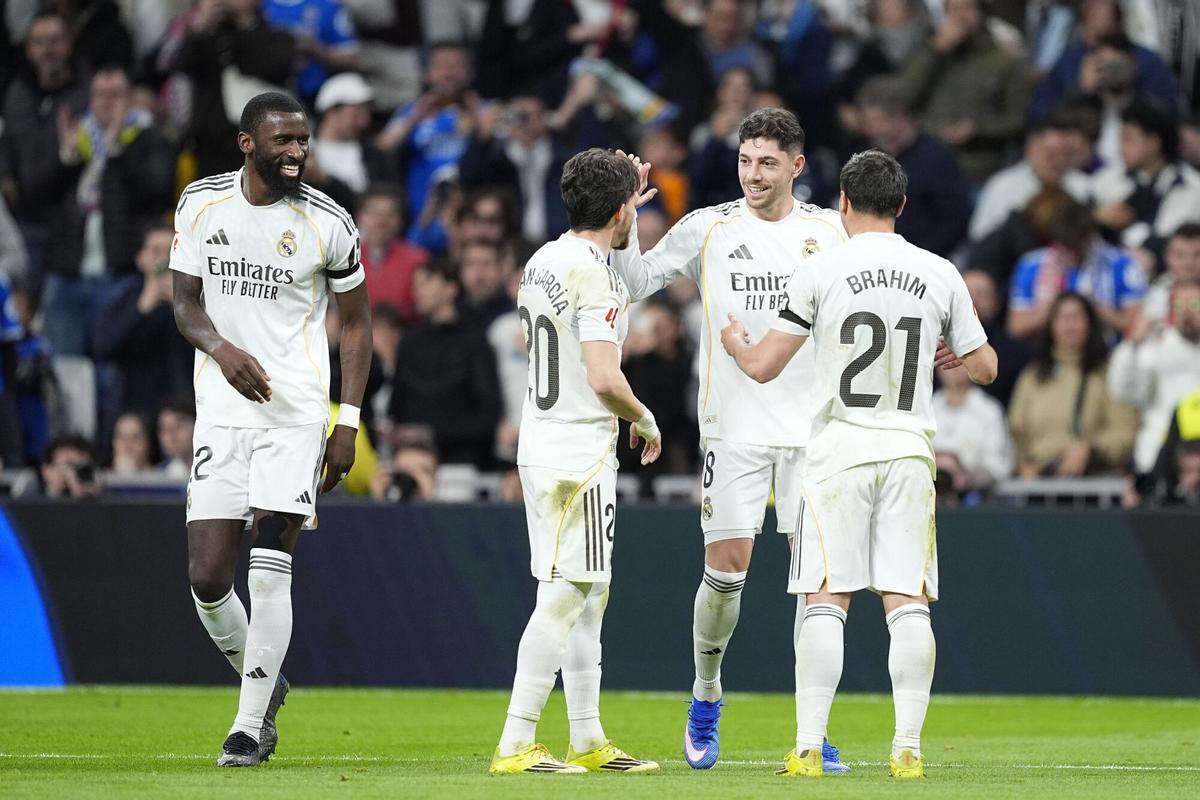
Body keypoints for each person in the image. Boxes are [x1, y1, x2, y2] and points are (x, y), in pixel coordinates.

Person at [718, 149, 997, 778]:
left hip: (839, 450)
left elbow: (763, 366)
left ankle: (808, 748)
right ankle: (907, 749)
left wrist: (736, 342)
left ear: (843, 201)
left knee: (826, 598)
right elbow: (986, 368)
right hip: (908, 450)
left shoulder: (820, 270)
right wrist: (954, 350)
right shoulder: (940, 272)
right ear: (901, 204)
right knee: (907, 599)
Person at [611, 107, 849, 772]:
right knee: (725, 574)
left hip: (813, 432)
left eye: (768, 162)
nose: (754, 174)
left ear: (796, 166)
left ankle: (811, 732)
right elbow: (637, 282)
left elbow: (877, 292)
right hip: (734, 428)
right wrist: (626, 227)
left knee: (816, 585)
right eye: (746, 160)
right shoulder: (708, 227)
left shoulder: (830, 231)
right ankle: (706, 695)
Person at [170, 91, 372, 767]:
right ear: (247, 143)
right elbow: (184, 304)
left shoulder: (329, 222)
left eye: (303, 141)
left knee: (269, 563)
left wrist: (347, 421)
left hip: (295, 414)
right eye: (283, 140)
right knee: (206, 577)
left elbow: (358, 325)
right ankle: (265, 679)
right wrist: (221, 350)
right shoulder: (200, 203)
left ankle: (249, 724)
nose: (296, 152)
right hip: (222, 410)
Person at [490, 148, 662, 775]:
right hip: (578, 452)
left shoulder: (543, 259)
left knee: (588, 593)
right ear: (619, 212)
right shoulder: (596, 275)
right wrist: (644, 416)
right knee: (568, 595)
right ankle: (516, 741)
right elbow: (605, 377)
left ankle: (587, 738)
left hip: (541, 441)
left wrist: (623, 209)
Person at [386, 258, 501, 467]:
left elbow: (487, 415)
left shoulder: (474, 342)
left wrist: (432, 433)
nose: (417, 291)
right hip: (412, 461)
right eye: (415, 285)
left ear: (451, 288)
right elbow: (396, 407)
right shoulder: (409, 343)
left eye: (426, 282)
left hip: (463, 462)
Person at [1008, 293, 1137, 477]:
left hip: (1095, 481)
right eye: (1061, 317)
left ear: (1090, 325)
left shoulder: (1109, 374)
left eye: (1077, 317)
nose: (1069, 324)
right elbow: (1016, 431)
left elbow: (1126, 432)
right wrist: (1023, 467)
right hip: (1039, 483)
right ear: (1051, 325)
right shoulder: (1032, 377)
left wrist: (1091, 448)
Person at [1108, 279, 1200, 474]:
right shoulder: (1155, 348)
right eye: (1179, 306)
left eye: (1195, 305)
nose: (1187, 312)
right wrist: (1133, 343)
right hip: (1159, 460)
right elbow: (1124, 392)